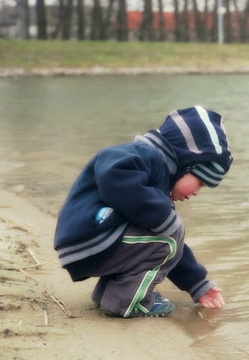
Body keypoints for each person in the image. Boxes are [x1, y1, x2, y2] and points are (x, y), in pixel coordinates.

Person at [54, 106, 233, 318]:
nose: (196, 192)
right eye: (201, 183)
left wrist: (197, 283)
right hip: (92, 236)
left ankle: (110, 294)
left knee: (167, 231)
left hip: (95, 242)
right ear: (186, 165)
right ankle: (128, 301)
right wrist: (163, 216)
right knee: (171, 228)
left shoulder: (155, 187)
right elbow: (113, 174)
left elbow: (168, 245)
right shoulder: (141, 154)